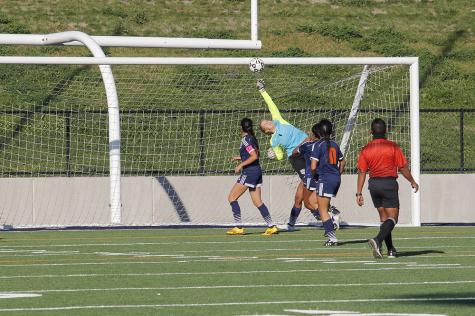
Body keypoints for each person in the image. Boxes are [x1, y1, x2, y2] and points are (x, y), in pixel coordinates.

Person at [256, 80, 340, 231]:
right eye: (265, 124)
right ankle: (292, 224)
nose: (268, 122)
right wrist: (273, 154)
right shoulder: (273, 140)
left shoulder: (279, 121)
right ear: (266, 131)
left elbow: (271, 105)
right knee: (298, 197)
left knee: (308, 195)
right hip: (296, 158)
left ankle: (328, 212)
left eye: (267, 120)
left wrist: (263, 91)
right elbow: (281, 156)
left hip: (307, 149)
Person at [356, 118, 419, 258]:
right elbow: (402, 167)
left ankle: (390, 249)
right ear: (386, 131)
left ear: (371, 131)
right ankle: (377, 240)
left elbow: (361, 171)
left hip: (373, 185)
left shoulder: (365, 149)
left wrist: (358, 192)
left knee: (384, 219)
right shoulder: (393, 146)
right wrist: (412, 181)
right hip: (388, 184)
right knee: (393, 218)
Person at [227, 118, 278, 236]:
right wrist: (239, 158)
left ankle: (238, 227)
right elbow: (256, 154)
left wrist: (241, 164)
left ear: (241, 127)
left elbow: (254, 156)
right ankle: (271, 226)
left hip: (249, 172)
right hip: (257, 171)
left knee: (232, 198)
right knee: (258, 202)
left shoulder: (245, 139)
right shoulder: (253, 138)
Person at [310, 119, 346, 246]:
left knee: (322, 210)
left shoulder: (317, 145)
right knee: (317, 203)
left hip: (324, 178)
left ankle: (332, 238)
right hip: (335, 178)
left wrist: (315, 177)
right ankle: (331, 222)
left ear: (319, 131)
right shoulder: (335, 144)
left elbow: (313, 166)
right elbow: (342, 162)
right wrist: (338, 173)